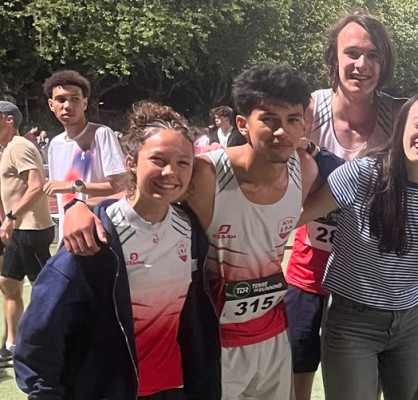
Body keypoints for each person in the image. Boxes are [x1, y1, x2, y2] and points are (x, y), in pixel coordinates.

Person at [60, 64, 318, 399]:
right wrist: (78, 207)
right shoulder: (206, 173)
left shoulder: (305, 169)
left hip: (273, 336)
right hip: (215, 342)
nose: (281, 131)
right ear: (243, 124)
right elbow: (145, 195)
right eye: (269, 119)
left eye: (292, 119)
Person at [14, 101, 221, 399]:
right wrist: (44, 392)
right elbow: (41, 328)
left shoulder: (190, 230)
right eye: (158, 160)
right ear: (130, 163)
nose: (170, 172)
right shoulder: (95, 235)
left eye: (182, 163)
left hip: (175, 389)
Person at [298, 92, 418, 400]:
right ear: (401, 129)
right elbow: (295, 217)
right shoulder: (361, 174)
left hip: (410, 319)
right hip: (352, 321)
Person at [284, 10, 404, 399]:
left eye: (373, 56)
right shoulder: (308, 110)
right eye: (351, 53)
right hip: (310, 268)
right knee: (298, 370)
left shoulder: (397, 116)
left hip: (370, 274)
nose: (362, 65)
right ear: (333, 58)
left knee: (369, 379)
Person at [0, 101, 55, 362]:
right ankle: (13, 344)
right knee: (8, 283)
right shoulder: (8, 149)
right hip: (18, 230)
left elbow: (36, 185)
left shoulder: (20, 146)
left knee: (44, 288)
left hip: (32, 229)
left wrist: (11, 217)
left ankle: (47, 342)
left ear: (9, 119)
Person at [41, 70, 127, 226]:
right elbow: (57, 191)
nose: (67, 106)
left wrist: (72, 186)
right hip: (69, 231)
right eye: (61, 100)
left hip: (100, 229)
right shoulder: (55, 144)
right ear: (51, 105)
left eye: (75, 99)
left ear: (85, 103)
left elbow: (121, 186)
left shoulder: (101, 134)